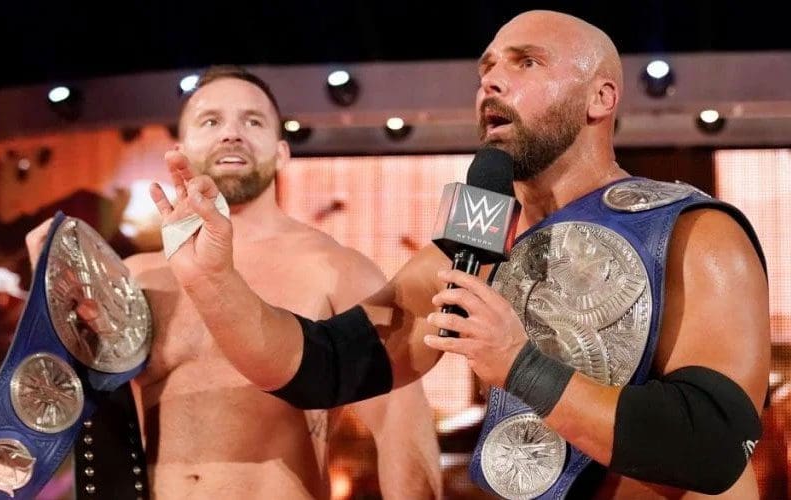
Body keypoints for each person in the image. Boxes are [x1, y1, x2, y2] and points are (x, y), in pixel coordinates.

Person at [151, 11, 770, 499]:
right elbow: (323, 366)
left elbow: (715, 441)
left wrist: (520, 366)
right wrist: (213, 280)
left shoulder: (694, 232)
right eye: (487, 68)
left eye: (526, 62)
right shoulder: (475, 243)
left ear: (600, 98)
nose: (491, 82)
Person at [26, 65, 441, 499]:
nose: (231, 134)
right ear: (180, 150)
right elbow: (61, 408)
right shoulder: (135, 276)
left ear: (281, 152)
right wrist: (50, 303)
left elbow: (399, 421)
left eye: (253, 121)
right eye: (211, 121)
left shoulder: (338, 269)